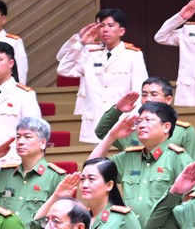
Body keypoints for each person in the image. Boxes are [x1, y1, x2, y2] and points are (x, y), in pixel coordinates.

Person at [92, 102, 195, 229]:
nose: (141, 125)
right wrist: (111, 135)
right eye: (139, 121)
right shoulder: (129, 157)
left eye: (148, 120)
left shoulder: (178, 158)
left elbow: (192, 208)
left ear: (166, 127)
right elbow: (92, 169)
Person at [56, 9, 148, 143]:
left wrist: (135, 121)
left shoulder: (133, 55)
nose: (105, 30)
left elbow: (139, 91)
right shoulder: (90, 52)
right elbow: (64, 69)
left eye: (110, 26)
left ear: (121, 31)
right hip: (94, 122)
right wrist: (81, 42)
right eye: (102, 26)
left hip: (122, 121)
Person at [0, 116, 65, 229]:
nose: (20, 142)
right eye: (18, 137)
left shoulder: (55, 177)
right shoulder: (3, 174)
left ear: (42, 143)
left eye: (27, 137)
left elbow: (61, 220)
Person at [93, 78, 195, 158]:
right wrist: (117, 110)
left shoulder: (184, 131)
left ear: (168, 100)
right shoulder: (133, 128)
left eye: (154, 94)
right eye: (144, 95)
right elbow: (102, 132)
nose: (148, 99)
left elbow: (193, 166)